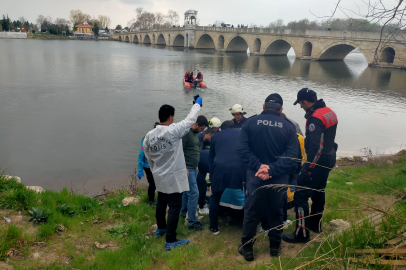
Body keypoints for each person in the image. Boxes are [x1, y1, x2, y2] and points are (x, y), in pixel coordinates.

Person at [237, 93, 299, 261]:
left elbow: (242, 150)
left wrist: (259, 166)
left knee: (251, 212)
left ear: (263, 107)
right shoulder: (288, 126)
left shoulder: (250, 122)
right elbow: (293, 156)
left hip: (255, 176)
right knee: (277, 212)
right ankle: (274, 247)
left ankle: (248, 249)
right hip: (278, 178)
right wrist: (271, 170)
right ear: (281, 110)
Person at [143, 97, 203, 251]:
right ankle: (170, 240)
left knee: (161, 202)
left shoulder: (149, 135)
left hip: (159, 175)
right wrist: (197, 104)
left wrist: (154, 170)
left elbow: (148, 156)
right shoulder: (174, 130)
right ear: (171, 117)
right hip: (174, 177)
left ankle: (161, 228)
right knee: (174, 206)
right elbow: (191, 119)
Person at [283, 88, 338, 244]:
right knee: (319, 192)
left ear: (305, 102)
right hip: (329, 158)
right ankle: (315, 225)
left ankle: (302, 233)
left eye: (300, 103)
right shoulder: (329, 112)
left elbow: (316, 148)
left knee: (300, 197)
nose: (301, 107)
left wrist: (308, 169)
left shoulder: (315, 118)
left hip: (318, 163)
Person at [208, 120, 247, 235]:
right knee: (246, 193)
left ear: (221, 128)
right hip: (239, 167)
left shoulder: (215, 136)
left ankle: (213, 227)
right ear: (234, 127)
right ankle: (246, 224)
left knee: (215, 196)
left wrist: (211, 179)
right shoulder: (241, 134)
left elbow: (211, 159)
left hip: (220, 167)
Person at [180, 115, 209, 230]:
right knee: (194, 194)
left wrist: (196, 164)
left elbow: (194, 150)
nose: (202, 131)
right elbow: (179, 152)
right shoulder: (186, 134)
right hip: (187, 169)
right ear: (196, 124)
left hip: (193, 167)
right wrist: (184, 168)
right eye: (201, 128)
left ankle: (183, 213)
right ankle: (192, 222)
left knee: (187, 192)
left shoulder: (194, 134)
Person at [137, 122, 160, 205]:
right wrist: (140, 168)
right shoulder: (146, 139)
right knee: (152, 183)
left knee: (156, 182)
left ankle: (155, 198)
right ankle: (151, 201)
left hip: (156, 165)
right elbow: (141, 154)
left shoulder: (160, 139)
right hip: (147, 166)